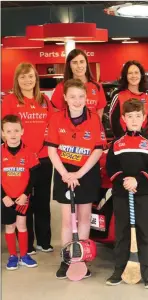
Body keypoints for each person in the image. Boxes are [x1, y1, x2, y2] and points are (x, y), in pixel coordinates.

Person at [44, 79, 105, 279]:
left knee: (84, 217)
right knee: (67, 221)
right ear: (65, 98)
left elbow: (97, 150)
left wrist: (79, 174)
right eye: (72, 97)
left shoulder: (94, 118)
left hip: (86, 172)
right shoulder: (56, 118)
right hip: (64, 171)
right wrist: (65, 174)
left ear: (86, 98)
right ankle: (66, 259)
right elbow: (52, 150)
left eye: (81, 97)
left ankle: (81, 259)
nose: (77, 101)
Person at [105, 99, 148, 288]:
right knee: (121, 233)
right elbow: (111, 167)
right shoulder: (117, 143)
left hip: (143, 193)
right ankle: (119, 270)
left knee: (146, 232)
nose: (134, 120)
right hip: (122, 194)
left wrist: (137, 180)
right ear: (123, 119)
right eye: (130, 117)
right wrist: (125, 180)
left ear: (144, 118)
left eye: (138, 116)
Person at [1, 63, 54, 254]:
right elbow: (6, 130)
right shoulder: (10, 100)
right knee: (24, 201)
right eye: (23, 77)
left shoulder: (44, 101)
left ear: (36, 79)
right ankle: (27, 243)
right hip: (20, 161)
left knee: (42, 201)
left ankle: (44, 241)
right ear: (17, 80)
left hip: (44, 158)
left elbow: (52, 126)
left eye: (31, 76)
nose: (27, 80)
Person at [1, 115, 39, 270]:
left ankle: (24, 255)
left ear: (22, 131)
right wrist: (3, 196)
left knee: (22, 225)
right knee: (10, 227)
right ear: (2, 133)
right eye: (8, 131)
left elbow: (34, 176)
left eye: (16, 130)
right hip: (6, 198)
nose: (13, 134)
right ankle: (12, 256)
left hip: (23, 198)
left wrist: (25, 194)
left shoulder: (29, 152)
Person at [50, 49, 106, 117]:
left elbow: (99, 113)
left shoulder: (97, 86)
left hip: (92, 127)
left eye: (82, 62)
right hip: (69, 127)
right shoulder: (61, 87)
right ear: (69, 65)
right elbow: (55, 114)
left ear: (86, 64)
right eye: (74, 62)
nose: (79, 66)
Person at [109, 60, 148, 137]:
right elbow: (113, 121)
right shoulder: (118, 96)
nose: (133, 76)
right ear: (125, 76)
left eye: (136, 72)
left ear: (141, 75)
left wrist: (143, 137)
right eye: (130, 73)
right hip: (123, 142)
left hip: (143, 142)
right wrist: (122, 139)